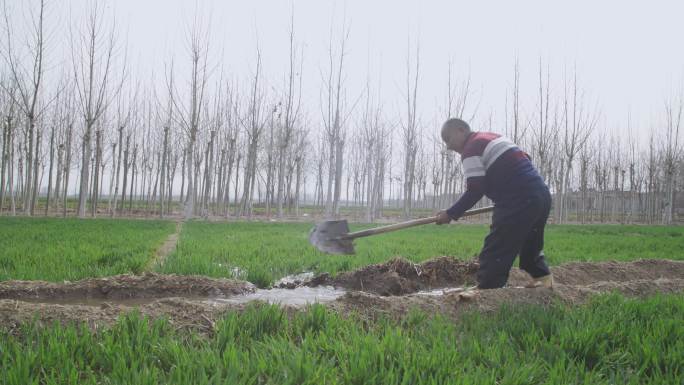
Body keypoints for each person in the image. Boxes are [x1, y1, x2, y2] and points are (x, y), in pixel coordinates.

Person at [436, 118, 553, 289]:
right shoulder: (491, 137)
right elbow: (525, 157)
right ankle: (545, 285)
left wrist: (450, 213)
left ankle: (488, 295)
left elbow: (475, 189)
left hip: (517, 199)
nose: (448, 146)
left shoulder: (471, 148)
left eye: (448, 139)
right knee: (531, 249)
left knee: (494, 253)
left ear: (461, 130)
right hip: (540, 195)